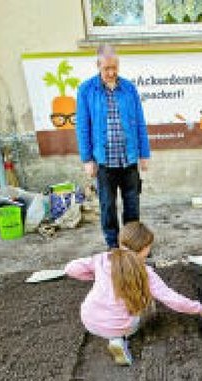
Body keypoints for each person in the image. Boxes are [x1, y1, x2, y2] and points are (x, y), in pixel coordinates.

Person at [65, 221, 202, 366]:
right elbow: (172, 299)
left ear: (120, 241)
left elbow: (70, 269)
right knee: (148, 303)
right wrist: (201, 309)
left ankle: (114, 338)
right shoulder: (145, 273)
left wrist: (95, 275)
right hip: (122, 326)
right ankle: (118, 339)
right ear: (145, 249)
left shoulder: (102, 259)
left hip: (90, 320)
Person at [76, 45, 151, 249]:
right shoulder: (86, 90)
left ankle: (132, 245)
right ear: (98, 65)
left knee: (132, 205)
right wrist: (87, 159)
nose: (111, 73)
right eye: (107, 68)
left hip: (128, 159)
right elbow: (83, 127)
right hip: (104, 162)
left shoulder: (129, 88)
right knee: (107, 207)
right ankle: (113, 247)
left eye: (114, 67)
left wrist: (144, 154)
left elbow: (139, 122)